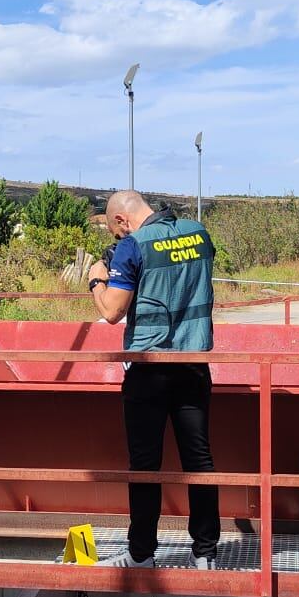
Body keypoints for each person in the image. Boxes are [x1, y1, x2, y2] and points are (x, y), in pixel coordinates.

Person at [86, 189, 220, 568]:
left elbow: (112, 312)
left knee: (145, 465)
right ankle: (205, 553)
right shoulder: (198, 232)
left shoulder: (133, 246)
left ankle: (142, 554)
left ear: (121, 221)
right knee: (199, 461)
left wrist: (98, 281)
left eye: (117, 232)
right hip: (193, 363)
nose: (119, 238)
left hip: (149, 368)